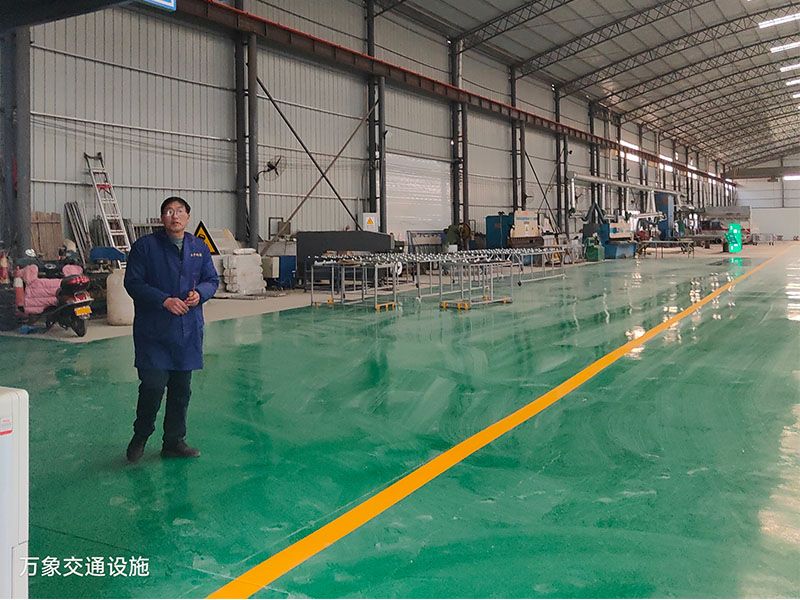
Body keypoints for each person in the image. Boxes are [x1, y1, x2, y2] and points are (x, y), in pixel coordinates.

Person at [123, 196, 219, 463]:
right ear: (161, 218)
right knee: (153, 387)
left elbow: (212, 279)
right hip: (154, 331)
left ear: (188, 216)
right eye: (168, 211)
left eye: (179, 211)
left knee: (181, 391)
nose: (174, 216)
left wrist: (200, 294)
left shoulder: (198, 247)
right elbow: (133, 283)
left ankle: (174, 442)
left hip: (187, 331)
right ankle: (141, 435)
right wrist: (163, 300)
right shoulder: (145, 247)